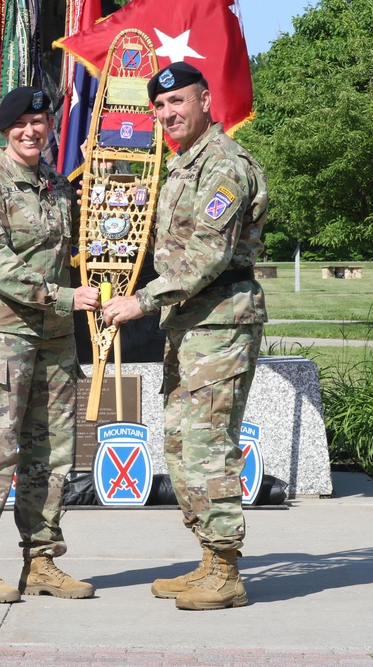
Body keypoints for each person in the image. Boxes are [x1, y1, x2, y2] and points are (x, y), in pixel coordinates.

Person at [101, 62, 268, 611]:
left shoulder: (223, 165)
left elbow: (208, 255)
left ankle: (226, 570)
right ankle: (208, 558)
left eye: (179, 102)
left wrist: (142, 300)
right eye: (160, 106)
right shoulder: (182, 167)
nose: (169, 114)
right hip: (191, 327)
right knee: (182, 444)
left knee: (210, 445)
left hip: (219, 323)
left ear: (205, 100)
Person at [0, 86, 101, 604]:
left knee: (52, 454)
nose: (32, 131)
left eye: (40, 121)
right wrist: (62, 296)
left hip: (54, 339)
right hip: (1, 339)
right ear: (2, 129)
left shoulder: (56, 184)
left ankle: (42, 561)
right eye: (21, 123)